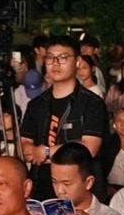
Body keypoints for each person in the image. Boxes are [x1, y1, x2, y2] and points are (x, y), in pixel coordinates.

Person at [20, 34, 108, 184]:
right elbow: (24, 143)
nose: (55, 63)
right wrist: (33, 152)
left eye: (63, 57)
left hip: (78, 185)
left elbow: (89, 148)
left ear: (78, 61)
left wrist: (46, 152)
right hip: (41, 182)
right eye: (50, 57)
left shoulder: (92, 103)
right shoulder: (36, 104)